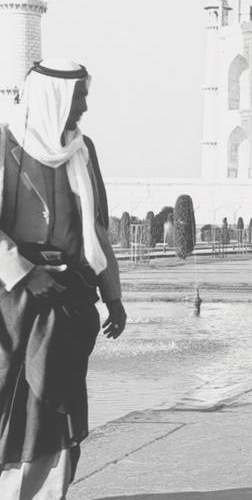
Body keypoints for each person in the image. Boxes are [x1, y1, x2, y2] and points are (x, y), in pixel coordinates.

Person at [0, 59, 126, 499]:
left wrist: (113, 296)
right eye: (79, 97)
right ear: (53, 98)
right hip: (16, 303)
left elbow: (98, 229)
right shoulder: (5, 144)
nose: (85, 106)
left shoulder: (82, 149)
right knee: (21, 403)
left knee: (60, 404)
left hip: (70, 296)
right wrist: (25, 273)